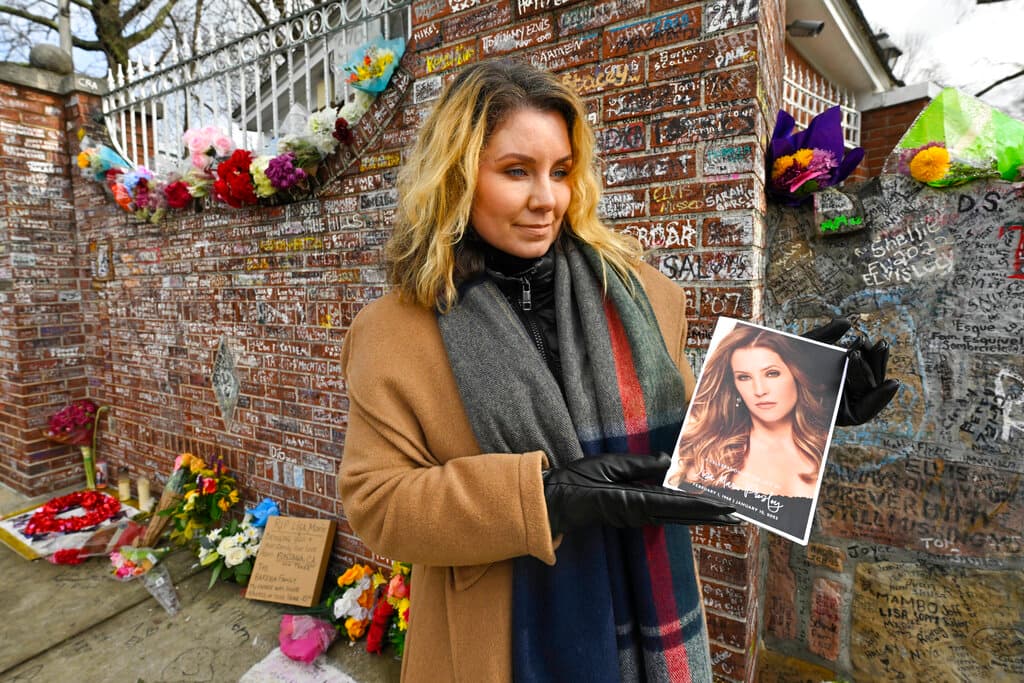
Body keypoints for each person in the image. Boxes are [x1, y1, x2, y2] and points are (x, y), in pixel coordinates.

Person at [338, 59, 896, 682]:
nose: (545, 199)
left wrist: (801, 402)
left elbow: (692, 453)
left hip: (649, 612)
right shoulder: (395, 333)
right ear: (458, 176)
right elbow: (377, 504)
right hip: (498, 637)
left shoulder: (644, 297)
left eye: (561, 172)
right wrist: (546, 500)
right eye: (516, 172)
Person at [668, 322, 837, 499]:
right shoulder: (708, 455)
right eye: (744, 377)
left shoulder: (821, 447)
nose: (759, 390)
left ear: (797, 375)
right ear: (734, 385)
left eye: (772, 373)